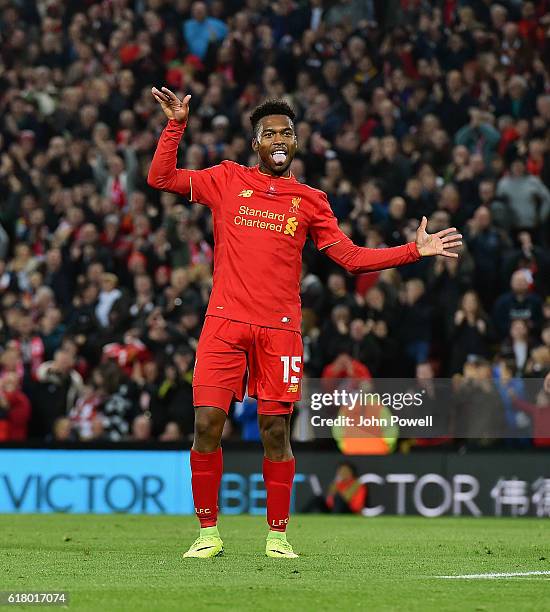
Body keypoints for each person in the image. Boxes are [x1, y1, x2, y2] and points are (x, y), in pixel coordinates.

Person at [147, 88, 462, 559]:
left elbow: (352, 258)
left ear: (296, 143)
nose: (279, 138)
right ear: (256, 143)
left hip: (280, 331)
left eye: (287, 132)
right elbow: (161, 177)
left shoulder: (310, 200)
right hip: (225, 323)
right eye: (270, 132)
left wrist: (414, 250)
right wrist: (176, 125)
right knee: (207, 423)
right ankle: (207, 532)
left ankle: (277, 535)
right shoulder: (226, 180)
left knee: (277, 432)